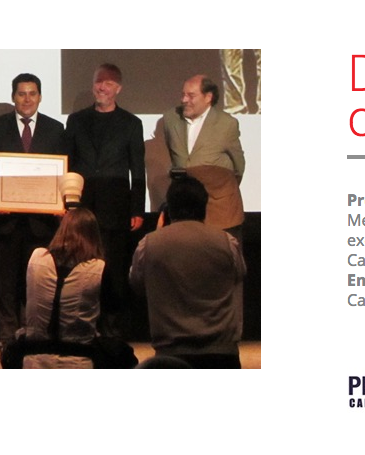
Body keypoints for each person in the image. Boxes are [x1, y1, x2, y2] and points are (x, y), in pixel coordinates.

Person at [0, 73, 68, 349]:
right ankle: (5, 334)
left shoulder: (55, 129)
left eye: (32, 93)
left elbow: (64, 170)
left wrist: (60, 201)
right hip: (5, 219)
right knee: (4, 282)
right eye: (21, 94)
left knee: (38, 281)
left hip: (42, 221)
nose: (27, 99)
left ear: (40, 97)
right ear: (13, 97)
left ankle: (35, 332)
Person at [63, 63, 145, 334]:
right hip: (82, 206)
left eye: (108, 83)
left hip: (116, 207)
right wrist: (65, 202)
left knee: (114, 270)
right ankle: (82, 327)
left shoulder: (131, 123)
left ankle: (111, 330)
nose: (102, 87)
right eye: (98, 82)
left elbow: (138, 170)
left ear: (118, 89)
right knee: (81, 266)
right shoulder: (76, 120)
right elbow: (67, 163)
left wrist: (137, 209)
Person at [129, 177, 246, 368]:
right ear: (204, 207)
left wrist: (158, 232)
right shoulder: (228, 241)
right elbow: (239, 275)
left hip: (170, 354)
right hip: (222, 352)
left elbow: (137, 284)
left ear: (169, 209)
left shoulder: (148, 244)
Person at [162, 74, 246, 245]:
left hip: (221, 211)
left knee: (223, 256)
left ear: (208, 97)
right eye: (183, 94)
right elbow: (175, 157)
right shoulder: (171, 119)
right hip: (185, 209)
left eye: (191, 95)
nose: (184, 100)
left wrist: (220, 186)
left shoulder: (226, 123)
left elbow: (239, 166)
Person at [18, 208, 106, 369]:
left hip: (34, 359)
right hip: (79, 360)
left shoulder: (36, 258)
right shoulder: (99, 268)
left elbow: (25, 298)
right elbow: (111, 308)